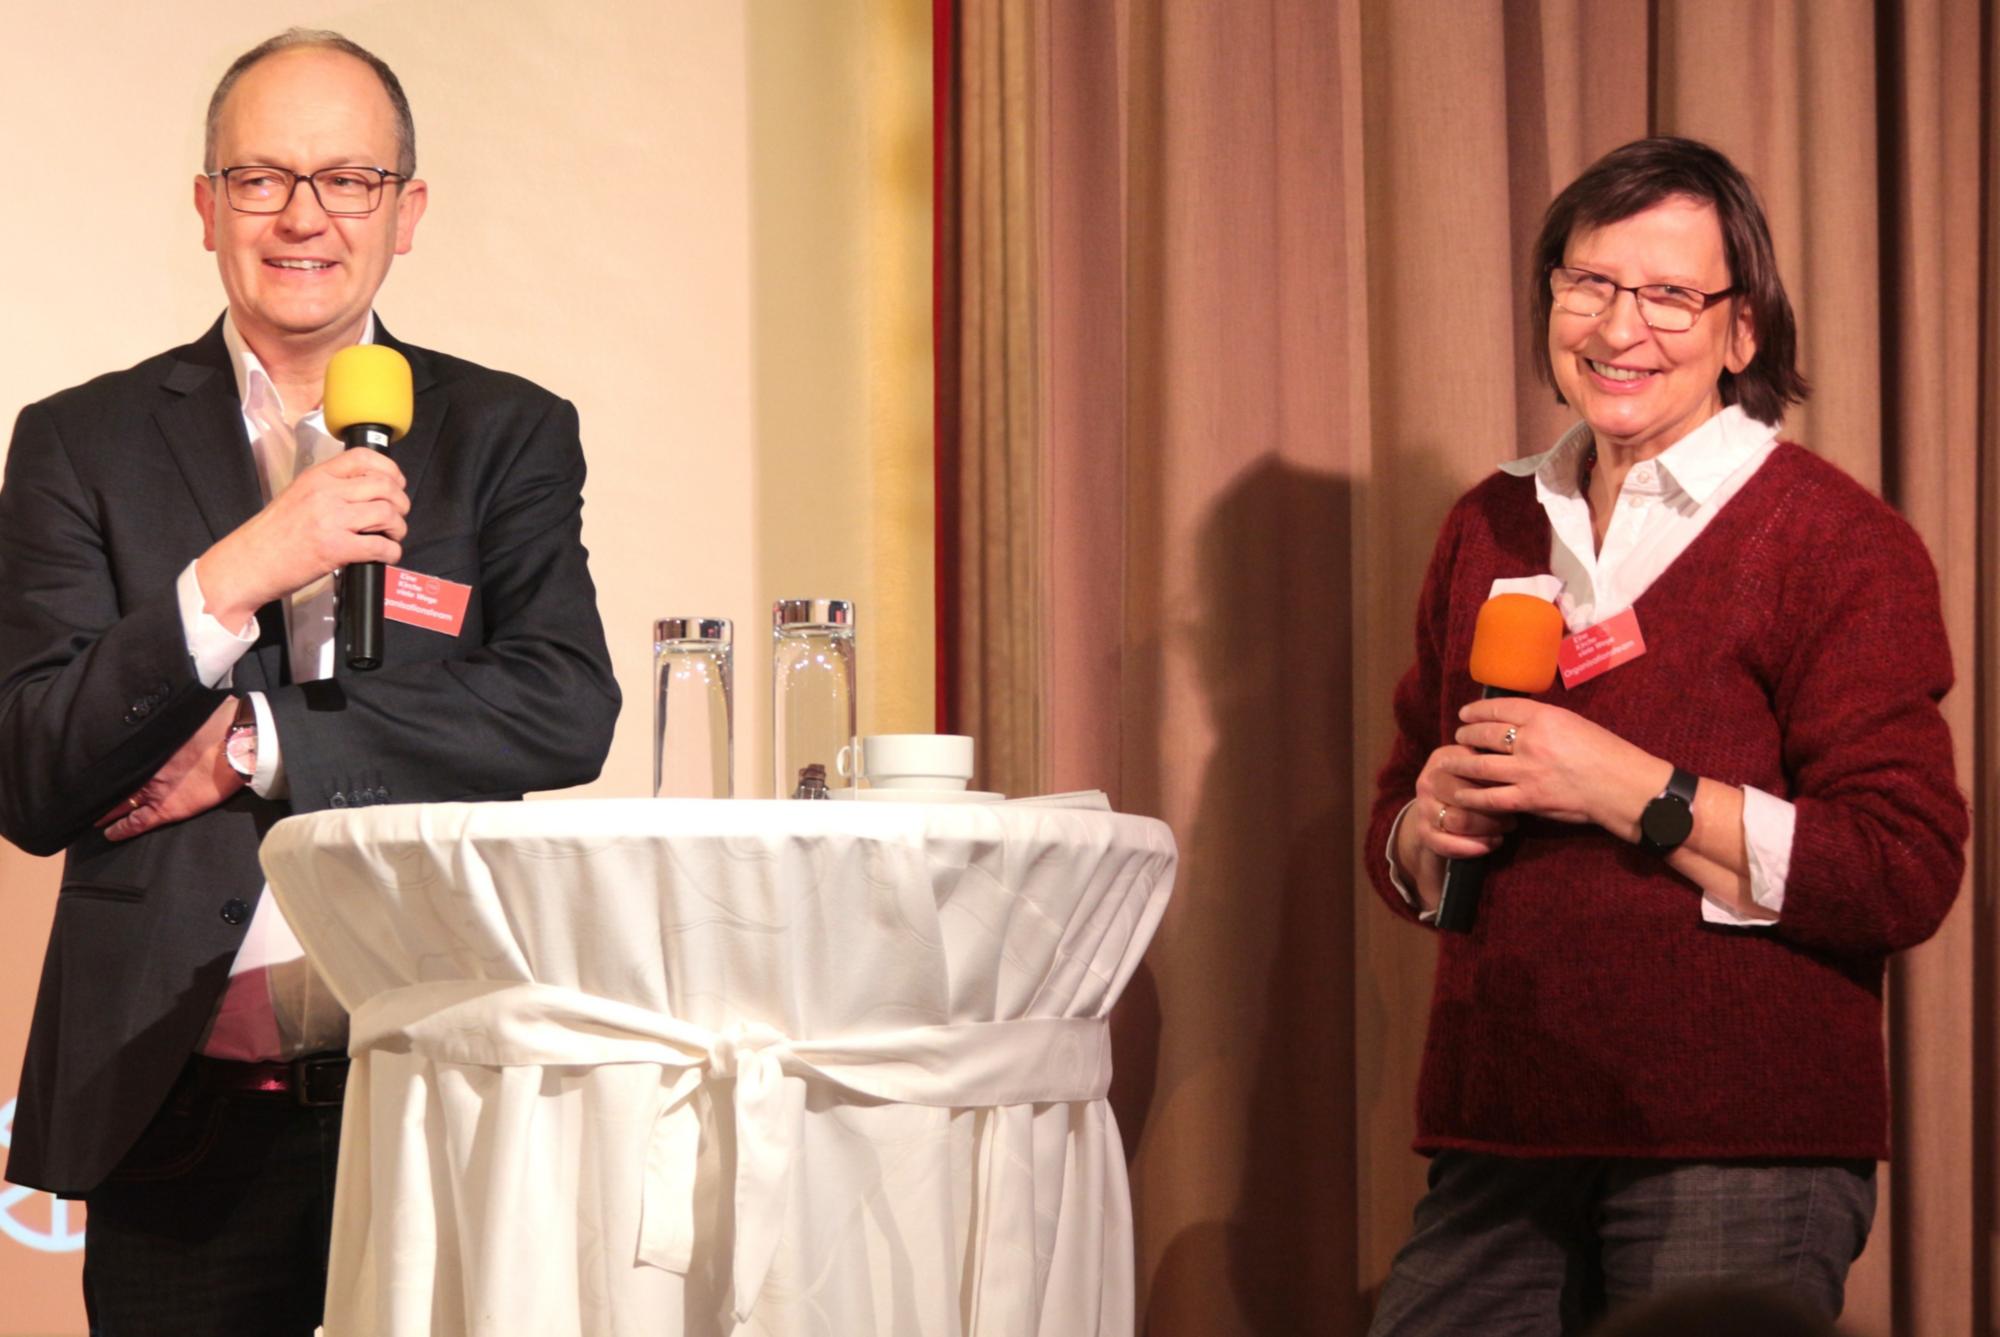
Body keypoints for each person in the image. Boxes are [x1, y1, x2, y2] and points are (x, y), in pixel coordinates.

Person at [0, 29, 620, 1334]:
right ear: (207, 205)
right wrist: (232, 575)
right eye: (263, 178)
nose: (305, 216)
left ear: (408, 211)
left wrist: (253, 742)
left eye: (348, 180)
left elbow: (564, 702)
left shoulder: (503, 432)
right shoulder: (77, 442)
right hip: (187, 1099)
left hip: (443, 1071)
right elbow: (35, 768)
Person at [1364, 137, 1966, 1335]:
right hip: (1503, 1121)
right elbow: (1391, 825)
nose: (1618, 326)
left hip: (1739, 1139)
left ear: (1741, 332)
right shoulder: (1488, 520)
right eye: (1587, 283)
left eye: (1669, 295)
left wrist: (1635, 786)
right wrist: (1421, 825)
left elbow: (1899, 867)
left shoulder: (1834, 540)